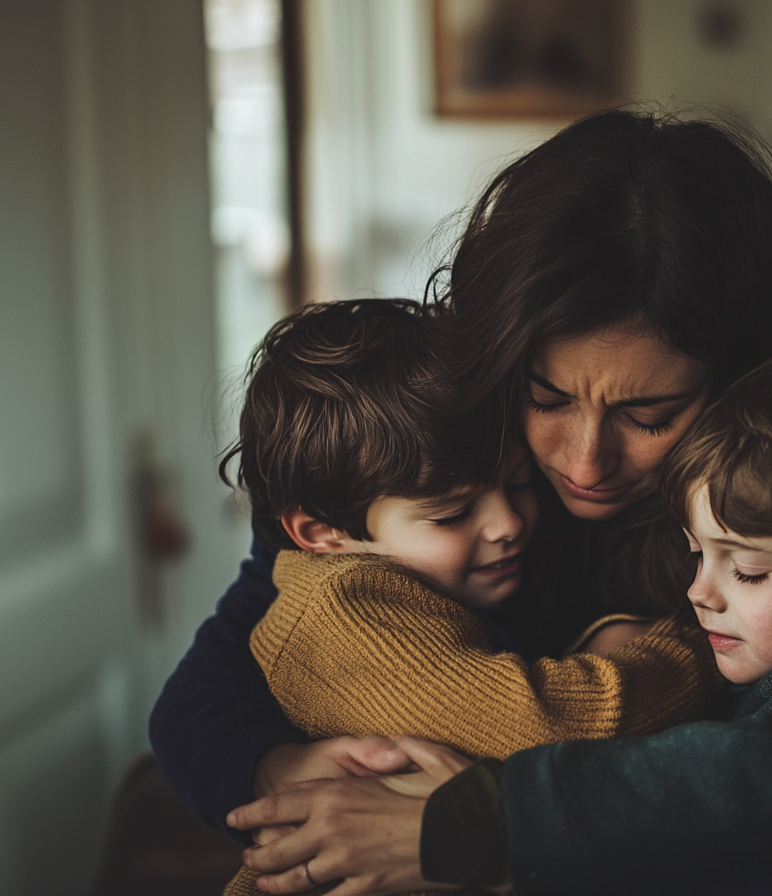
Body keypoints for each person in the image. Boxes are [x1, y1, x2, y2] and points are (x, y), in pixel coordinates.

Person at [149, 108, 772, 893]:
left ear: (735, 384)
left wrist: (476, 834)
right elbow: (198, 698)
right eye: (545, 398)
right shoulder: (417, 447)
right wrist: (283, 768)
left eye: (650, 418)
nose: (585, 462)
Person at [234, 334, 772, 894]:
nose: (699, 593)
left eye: (749, 568)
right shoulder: (340, 602)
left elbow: (739, 780)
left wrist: (498, 820)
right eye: (698, 556)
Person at [218, 298, 721, 895]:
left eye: (515, 483)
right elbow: (548, 727)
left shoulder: (407, 583)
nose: (507, 523)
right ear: (323, 533)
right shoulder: (346, 613)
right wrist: (690, 641)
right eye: (454, 513)